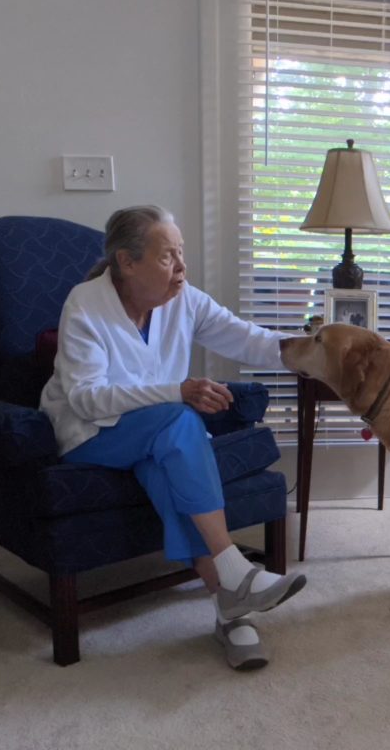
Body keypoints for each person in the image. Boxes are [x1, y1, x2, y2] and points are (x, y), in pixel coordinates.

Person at [40, 205, 304, 671]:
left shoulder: (185, 299)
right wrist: (177, 391)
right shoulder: (85, 303)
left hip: (152, 439)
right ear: (127, 261)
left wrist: (313, 351)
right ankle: (233, 566)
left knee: (168, 462)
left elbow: (247, 339)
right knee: (180, 421)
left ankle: (229, 605)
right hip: (90, 434)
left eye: (182, 254)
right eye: (168, 257)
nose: (181, 267)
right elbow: (84, 399)